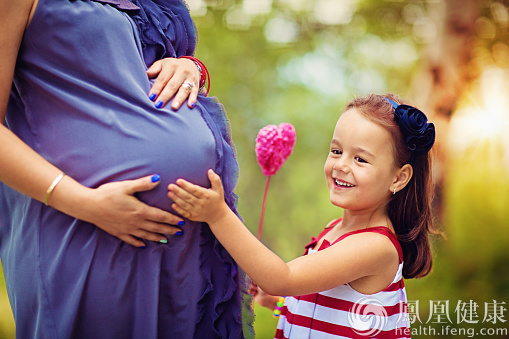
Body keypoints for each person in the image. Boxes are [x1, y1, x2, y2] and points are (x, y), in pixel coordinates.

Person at [0, 0, 248, 337]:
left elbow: (131, 72)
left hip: (182, 244)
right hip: (80, 223)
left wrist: (190, 67)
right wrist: (84, 203)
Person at [168, 93, 440, 338]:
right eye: (336, 151)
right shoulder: (335, 229)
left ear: (399, 177)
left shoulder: (375, 246)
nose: (341, 165)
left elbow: (282, 278)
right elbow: (329, 307)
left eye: (361, 159)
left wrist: (218, 216)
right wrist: (282, 302)